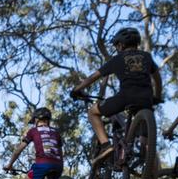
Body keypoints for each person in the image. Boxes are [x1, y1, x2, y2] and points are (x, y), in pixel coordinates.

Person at [69, 27, 163, 169]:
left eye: (117, 45)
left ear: (121, 45)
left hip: (126, 97)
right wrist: (157, 96)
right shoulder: (146, 57)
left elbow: (93, 77)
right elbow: (157, 78)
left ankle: (106, 145)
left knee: (93, 112)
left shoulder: (118, 58)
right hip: (146, 100)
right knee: (148, 146)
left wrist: (77, 89)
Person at [4, 107, 64, 179]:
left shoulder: (33, 131)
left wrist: (10, 164)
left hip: (42, 164)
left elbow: (18, 150)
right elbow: (60, 152)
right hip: (58, 165)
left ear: (36, 120)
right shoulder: (56, 132)